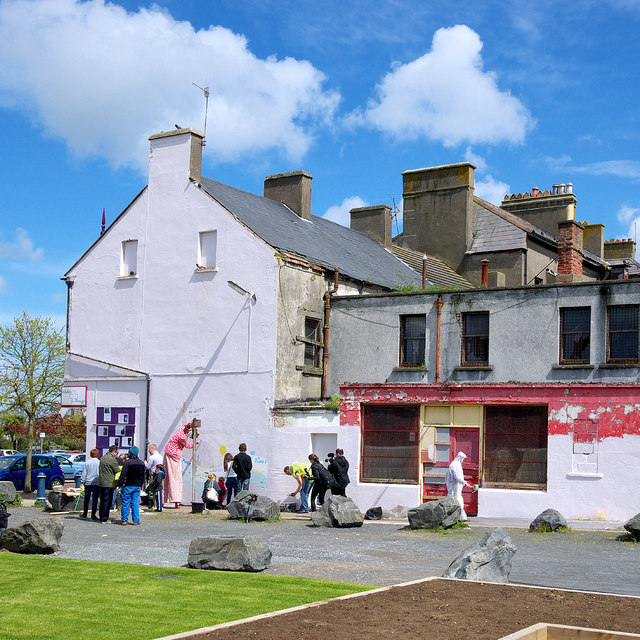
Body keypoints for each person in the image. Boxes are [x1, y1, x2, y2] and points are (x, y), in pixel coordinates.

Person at [163, 423, 199, 509]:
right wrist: (195, 443)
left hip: (168, 452)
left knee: (167, 477)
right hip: (174, 455)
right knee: (176, 478)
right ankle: (175, 500)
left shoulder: (181, 429)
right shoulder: (182, 436)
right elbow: (187, 445)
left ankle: (163, 500)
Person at [118, 446, 146, 525]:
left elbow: (123, 474)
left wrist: (120, 483)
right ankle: (136, 520)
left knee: (126, 502)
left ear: (130, 454)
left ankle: (124, 519)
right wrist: (141, 485)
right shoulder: (141, 463)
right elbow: (143, 476)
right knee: (135, 503)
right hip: (137, 485)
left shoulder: (128, 462)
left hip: (128, 485)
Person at [446, 451, 473, 522]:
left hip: (455, 486)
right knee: (456, 501)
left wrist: (464, 483)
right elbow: (457, 477)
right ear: (460, 458)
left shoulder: (456, 464)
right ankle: (461, 517)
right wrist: (465, 483)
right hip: (454, 487)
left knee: (455, 501)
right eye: (463, 459)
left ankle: (459, 517)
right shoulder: (455, 465)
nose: (463, 460)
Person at [98, 445, 120, 523]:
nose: (117, 454)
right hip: (109, 483)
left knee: (102, 500)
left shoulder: (103, 458)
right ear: (113, 452)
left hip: (101, 482)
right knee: (107, 501)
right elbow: (117, 470)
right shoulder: (112, 459)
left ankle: (101, 516)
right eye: (117, 453)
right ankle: (105, 517)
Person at [80, 448, 100, 520]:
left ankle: (85, 513)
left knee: (87, 499)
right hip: (96, 483)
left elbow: (84, 473)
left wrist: (82, 482)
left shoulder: (87, 463)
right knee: (95, 500)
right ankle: (93, 515)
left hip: (88, 483)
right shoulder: (99, 462)